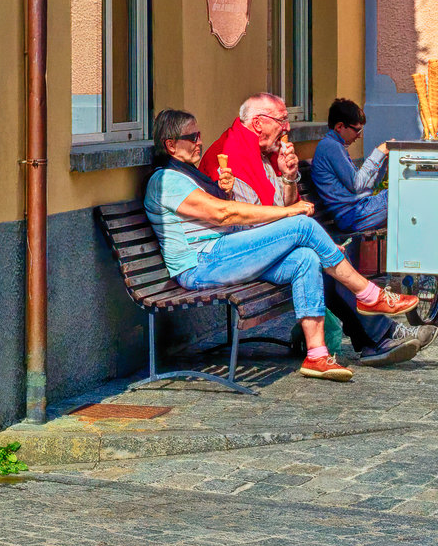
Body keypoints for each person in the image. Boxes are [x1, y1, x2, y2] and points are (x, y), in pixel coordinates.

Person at [146, 107, 419, 382]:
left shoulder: (186, 175)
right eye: (192, 137)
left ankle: (317, 354)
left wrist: (226, 191)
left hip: (221, 254)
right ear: (171, 145)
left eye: (199, 135)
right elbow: (224, 214)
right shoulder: (166, 180)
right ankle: (369, 295)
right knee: (301, 225)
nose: (200, 142)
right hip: (201, 263)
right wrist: (289, 212)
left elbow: (222, 212)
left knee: (305, 258)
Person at [201, 93, 301, 207]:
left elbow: (289, 205)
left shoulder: (268, 152)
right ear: (257, 123)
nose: (287, 127)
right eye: (281, 120)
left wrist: (289, 177)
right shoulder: (232, 155)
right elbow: (254, 220)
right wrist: (292, 213)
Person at [308, 98, 388, 235]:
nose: (359, 136)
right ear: (339, 126)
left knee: (403, 192)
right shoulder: (330, 146)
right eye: (357, 130)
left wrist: (383, 161)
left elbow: (368, 186)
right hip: (352, 215)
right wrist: (378, 153)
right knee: (403, 194)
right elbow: (357, 185)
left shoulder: (337, 146)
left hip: (360, 209)